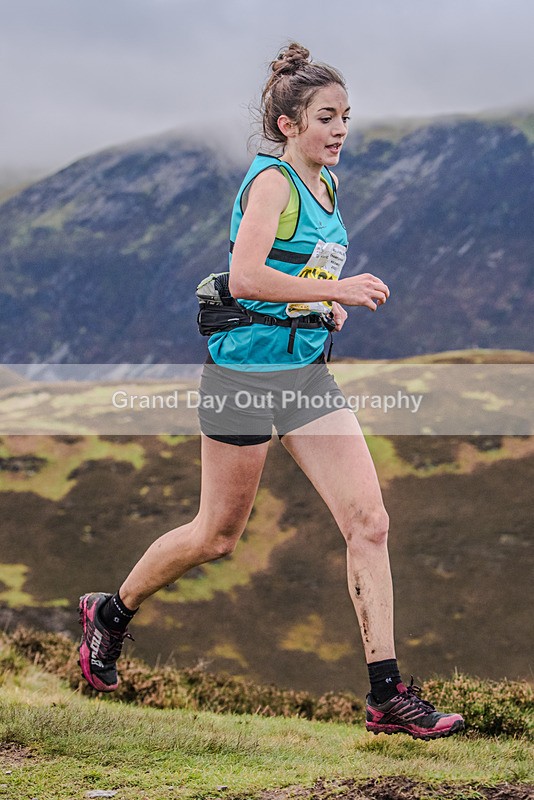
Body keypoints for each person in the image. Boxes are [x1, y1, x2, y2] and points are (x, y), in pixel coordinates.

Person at [79, 43, 464, 740]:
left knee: (369, 523)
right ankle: (112, 612)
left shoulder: (327, 184)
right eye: (326, 116)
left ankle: (386, 696)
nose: (341, 128)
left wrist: (321, 307)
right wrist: (336, 288)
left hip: (306, 376)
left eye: (346, 115)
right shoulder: (273, 184)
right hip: (243, 381)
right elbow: (248, 276)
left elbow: (291, 282)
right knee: (216, 536)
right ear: (289, 123)